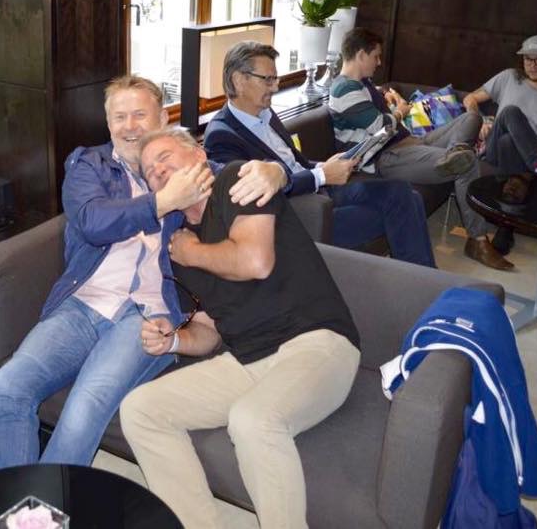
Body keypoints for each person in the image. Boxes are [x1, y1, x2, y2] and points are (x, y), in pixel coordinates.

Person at [0, 75, 286, 470]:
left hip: (148, 315)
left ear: (162, 118)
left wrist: (276, 172)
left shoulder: (181, 166)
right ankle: (14, 502)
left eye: (140, 115)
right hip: (84, 304)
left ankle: (44, 504)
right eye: (119, 117)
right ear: (108, 123)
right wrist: (163, 202)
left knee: (85, 404)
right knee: (10, 385)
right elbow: (92, 222)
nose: (129, 126)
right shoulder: (89, 164)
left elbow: (243, 179)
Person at [120, 128, 361, 529]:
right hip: (247, 359)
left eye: (165, 157)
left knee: (252, 420)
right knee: (140, 409)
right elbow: (208, 330)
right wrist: (172, 339)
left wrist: (193, 253)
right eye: (149, 171)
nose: (157, 170)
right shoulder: (178, 244)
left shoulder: (236, 182)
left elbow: (255, 262)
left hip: (317, 342)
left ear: (198, 155)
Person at [204, 41, 436, 267]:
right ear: (239, 80)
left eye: (276, 79)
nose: (275, 87)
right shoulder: (222, 136)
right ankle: (425, 283)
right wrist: (322, 175)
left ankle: (423, 279)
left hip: (319, 187)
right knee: (402, 206)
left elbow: (294, 163)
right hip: (300, 214)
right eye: (268, 80)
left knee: (402, 193)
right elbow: (251, 197)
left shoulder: (265, 113)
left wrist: (325, 167)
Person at [329, 27, 513, 270]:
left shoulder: (362, 84)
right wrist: (400, 111)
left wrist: (387, 97)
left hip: (410, 141)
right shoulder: (344, 89)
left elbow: (374, 111)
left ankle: (454, 153)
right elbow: (380, 126)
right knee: (467, 162)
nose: (379, 62)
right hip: (388, 156)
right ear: (361, 55)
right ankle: (477, 241)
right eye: (376, 56)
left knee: (472, 118)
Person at [463, 34, 537, 254]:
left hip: (527, 147)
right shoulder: (508, 77)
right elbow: (470, 98)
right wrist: (480, 120)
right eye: (527, 59)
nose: (532, 65)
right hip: (494, 148)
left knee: (509, 142)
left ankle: (506, 229)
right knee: (510, 113)